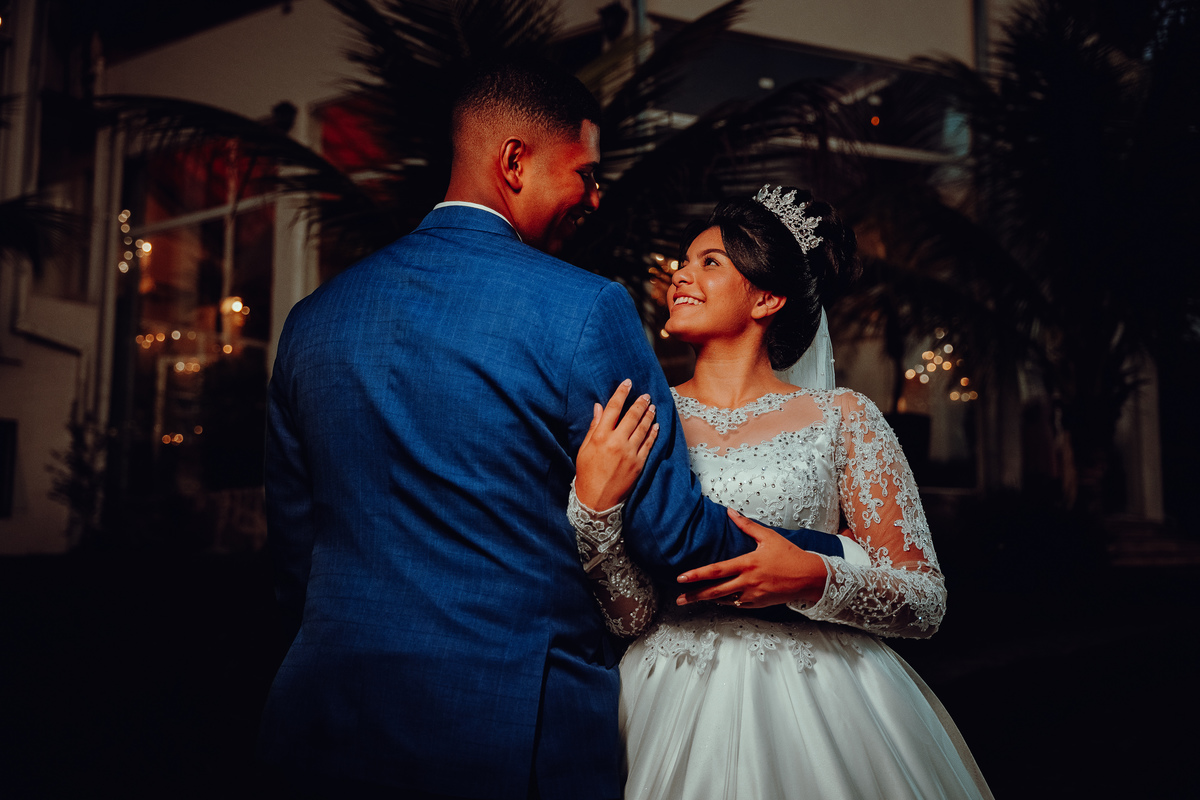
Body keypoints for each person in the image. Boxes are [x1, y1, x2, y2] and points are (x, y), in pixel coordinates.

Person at [258, 61, 845, 800]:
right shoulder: (583, 310)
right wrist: (831, 556)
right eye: (586, 175)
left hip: (329, 716)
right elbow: (668, 530)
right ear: (514, 162)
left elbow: (293, 551)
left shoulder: (312, 319)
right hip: (508, 723)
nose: (594, 199)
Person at [571, 186, 994, 799]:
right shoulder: (644, 421)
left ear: (766, 298)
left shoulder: (843, 418)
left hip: (822, 700)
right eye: (683, 262)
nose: (680, 275)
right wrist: (593, 512)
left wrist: (811, 578)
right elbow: (631, 615)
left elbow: (925, 602)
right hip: (665, 694)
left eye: (709, 262)